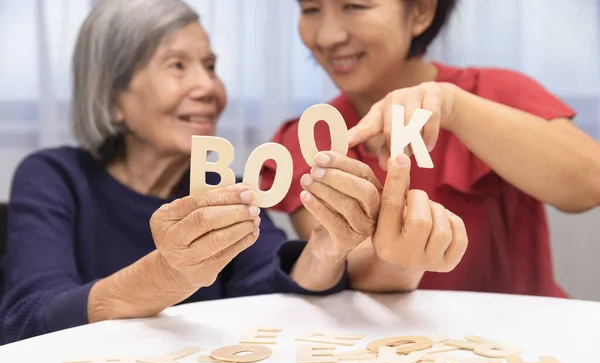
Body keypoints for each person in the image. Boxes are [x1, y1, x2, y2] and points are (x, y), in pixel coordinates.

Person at [0, 0, 426, 345]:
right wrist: (169, 274)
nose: (208, 87)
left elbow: (272, 284)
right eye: (177, 66)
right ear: (111, 95)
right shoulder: (54, 176)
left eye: (210, 65)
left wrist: (327, 250)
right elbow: (29, 319)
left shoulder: (219, 183)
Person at [261, 0, 600, 297]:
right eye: (310, 9)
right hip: (388, 354)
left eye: (355, 6)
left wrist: (453, 108)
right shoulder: (309, 137)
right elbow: (344, 262)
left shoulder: (496, 92)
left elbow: (588, 184)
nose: (327, 36)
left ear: (421, 11)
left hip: (519, 344)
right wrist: (397, 257)